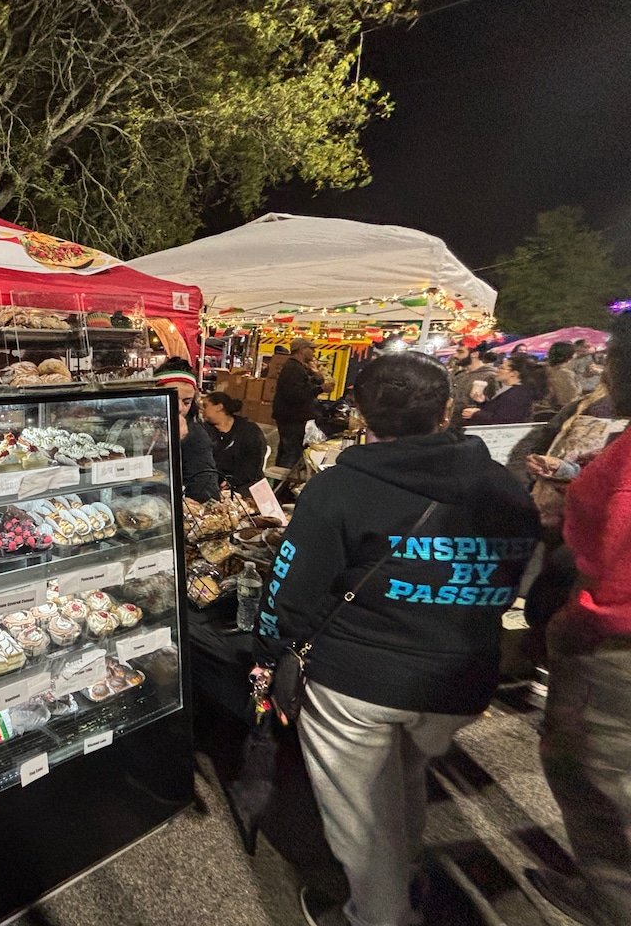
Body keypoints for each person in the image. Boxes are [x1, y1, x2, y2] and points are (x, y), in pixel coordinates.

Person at [253, 351, 541, 926]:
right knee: (405, 780)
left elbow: (291, 590)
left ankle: (378, 914)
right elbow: (520, 571)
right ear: (448, 411)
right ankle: (403, 872)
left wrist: (268, 654)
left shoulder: (340, 487)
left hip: (358, 682)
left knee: (361, 816)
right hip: (459, 678)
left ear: (360, 411)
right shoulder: (504, 485)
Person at [525, 313, 631, 926]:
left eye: (612, 357)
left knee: (599, 783)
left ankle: (612, 897)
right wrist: (578, 473)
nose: (602, 368)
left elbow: (606, 561)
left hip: (613, 646)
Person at [154, 358, 220, 502]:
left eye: (186, 402)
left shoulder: (196, 436)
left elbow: (205, 490)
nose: (179, 408)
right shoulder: (140, 424)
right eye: (171, 398)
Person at [272, 337, 331, 467]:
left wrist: (315, 371)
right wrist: (320, 389)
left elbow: (318, 380)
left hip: (292, 417)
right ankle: (282, 485)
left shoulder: (299, 368)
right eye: (311, 349)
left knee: (287, 451)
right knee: (291, 453)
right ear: (302, 350)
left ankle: (279, 483)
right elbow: (295, 394)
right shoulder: (293, 369)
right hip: (292, 418)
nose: (314, 352)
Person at [201, 391, 269, 494]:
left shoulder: (249, 430)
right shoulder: (202, 430)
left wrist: (233, 481)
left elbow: (254, 462)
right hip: (213, 486)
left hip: (246, 485)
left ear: (219, 407)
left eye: (205, 406)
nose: (202, 410)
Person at [461, 354, 545, 425]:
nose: (497, 370)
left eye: (502, 368)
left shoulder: (517, 394)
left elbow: (504, 420)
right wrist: (482, 402)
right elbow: (498, 409)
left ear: (514, 373)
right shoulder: (508, 389)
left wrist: (476, 414)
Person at [449, 345, 498, 427]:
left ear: (474, 354)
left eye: (460, 352)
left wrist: (478, 411)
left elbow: (494, 404)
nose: (455, 355)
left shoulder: (490, 376)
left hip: (469, 426)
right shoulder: (459, 374)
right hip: (452, 423)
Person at [540, 341, 582, 418]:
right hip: (560, 415)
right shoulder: (564, 374)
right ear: (570, 355)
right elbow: (568, 399)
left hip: (545, 412)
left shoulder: (543, 370)